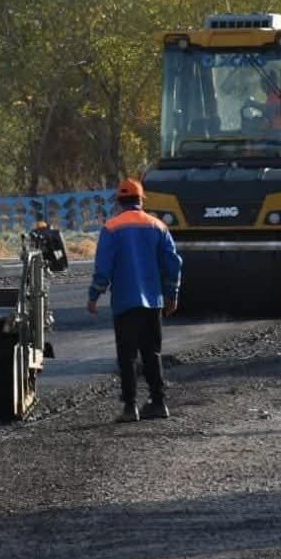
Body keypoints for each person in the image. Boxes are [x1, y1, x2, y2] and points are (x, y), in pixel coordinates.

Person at [89, 179, 183, 422]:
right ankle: (159, 403)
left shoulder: (111, 228)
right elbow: (173, 263)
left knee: (127, 355)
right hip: (153, 302)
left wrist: (94, 295)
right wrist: (172, 294)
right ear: (141, 200)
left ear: (119, 202)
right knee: (152, 353)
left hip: (125, 302)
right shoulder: (158, 226)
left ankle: (130, 408)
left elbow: (103, 268)